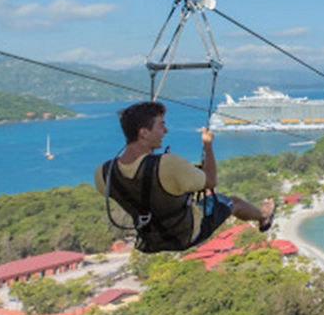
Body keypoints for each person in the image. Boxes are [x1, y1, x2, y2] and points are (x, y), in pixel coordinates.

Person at [95, 101, 274, 252]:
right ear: (143, 132)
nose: (165, 131)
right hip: (185, 234)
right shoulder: (167, 165)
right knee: (232, 202)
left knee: (207, 197)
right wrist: (207, 145)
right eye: (161, 125)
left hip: (150, 240)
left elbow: (140, 187)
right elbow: (211, 180)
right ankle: (263, 217)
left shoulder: (104, 173)